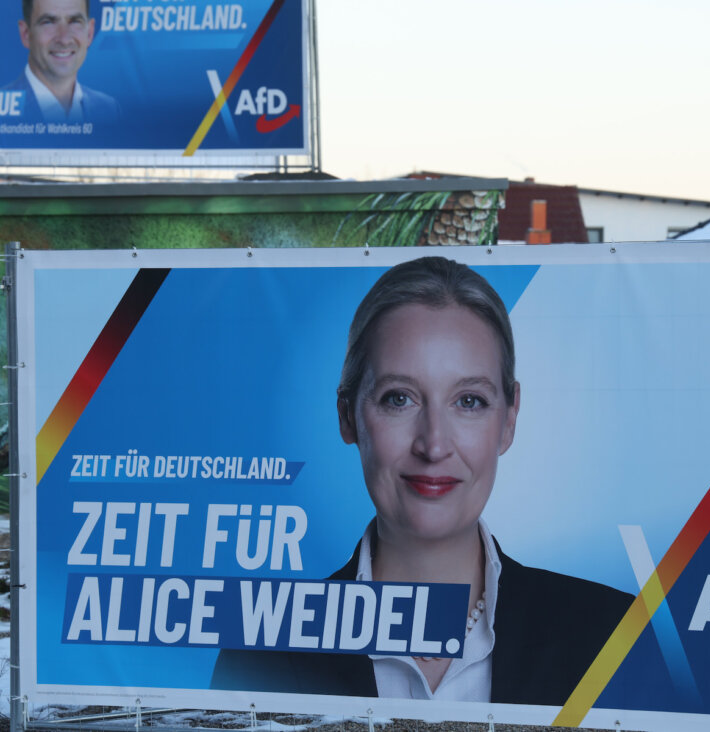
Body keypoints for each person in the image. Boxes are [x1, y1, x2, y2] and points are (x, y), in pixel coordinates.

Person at [211, 256, 633, 706]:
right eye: (399, 398)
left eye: (469, 401)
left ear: (509, 419)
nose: (433, 445)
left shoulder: (615, 638)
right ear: (347, 416)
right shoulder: (263, 650)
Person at [4, 0, 120, 125]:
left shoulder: (110, 110)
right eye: (48, 22)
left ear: (90, 33)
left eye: (75, 21)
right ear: (26, 34)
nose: (64, 39)